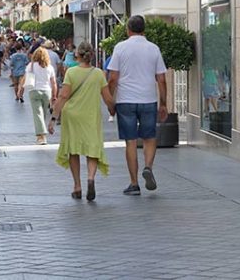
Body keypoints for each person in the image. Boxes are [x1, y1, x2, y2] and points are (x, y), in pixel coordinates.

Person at [107, 15, 167, 196]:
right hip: (148, 99)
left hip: (126, 100)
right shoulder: (154, 48)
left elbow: (113, 78)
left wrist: (111, 100)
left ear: (128, 29)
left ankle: (134, 184)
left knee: (130, 141)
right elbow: (162, 79)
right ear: (144, 29)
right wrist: (163, 103)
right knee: (149, 138)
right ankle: (148, 166)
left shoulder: (120, 48)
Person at [49, 42, 115, 201]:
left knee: (73, 149)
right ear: (91, 55)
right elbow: (107, 98)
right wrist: (113, 109)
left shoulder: (71, 72)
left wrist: (53, 118)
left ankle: (77, 186)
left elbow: (63, 96)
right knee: (92, 146)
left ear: (77, 55)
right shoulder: (98, 74)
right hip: (90, 117)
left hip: (72, 116)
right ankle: (91, 178)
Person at [19, 48, 58, 144]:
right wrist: (54, 96)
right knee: (43, 114)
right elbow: (54, 83)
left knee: (38, 114)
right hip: (46, 92)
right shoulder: (50, 67)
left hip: (34, 91)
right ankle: (41, 135)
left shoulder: (31, 66)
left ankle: (41, 137)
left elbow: (25, 78)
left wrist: (21, 90)